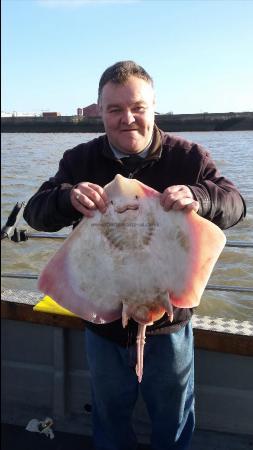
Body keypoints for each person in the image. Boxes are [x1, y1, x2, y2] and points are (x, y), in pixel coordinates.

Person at [24, 61, 246, 450]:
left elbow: (235, 202)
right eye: (114, 110)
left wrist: (200, 197)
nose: (127, 119)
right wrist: (67, 197)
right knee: (109, 416)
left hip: (169, 319)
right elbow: (35, 212)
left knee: (173, 417)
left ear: (153, 108)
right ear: (100, 113)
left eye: (138, 108)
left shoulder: (188, 158)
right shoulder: (80, 160)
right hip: (105, 319)